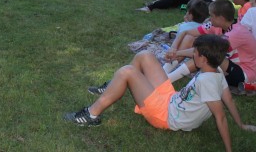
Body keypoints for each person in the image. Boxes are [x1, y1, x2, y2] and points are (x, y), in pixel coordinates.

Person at [64, 34, 256, 152]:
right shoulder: (216, 71)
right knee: (144, 56)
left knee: (127, 71)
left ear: (203, 58)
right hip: (171, 101)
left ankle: (91, 115)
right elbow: (228, 98)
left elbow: (220, 117)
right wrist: (241, 124)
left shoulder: (207, 82)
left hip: (166, 116)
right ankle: (115, 86)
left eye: (195, 53)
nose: (192, 54)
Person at [167, 0, 256, 90]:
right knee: (190, 39)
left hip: (243, 73)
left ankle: (167, 80)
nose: (209, 18)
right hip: (227, 63)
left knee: (206, 56)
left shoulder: (237, 33)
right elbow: (186, 32)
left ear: (221, 18)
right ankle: (165, 72)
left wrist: (178, 53)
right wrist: (173, 48)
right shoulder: (216, 25)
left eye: (211, 16)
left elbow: (206, 51)